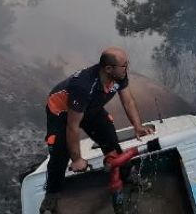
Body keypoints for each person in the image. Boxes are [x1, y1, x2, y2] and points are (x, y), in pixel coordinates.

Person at [39, 47, 154, 214]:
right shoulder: (83, 86)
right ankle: (52, 194)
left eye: (127, 64)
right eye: (124, 65)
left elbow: (128, 101)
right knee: (59, 153)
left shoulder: (119, 75)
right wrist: (77, 158)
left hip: (91, 107)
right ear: (108, 69)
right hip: (62, 113)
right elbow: (72, 126)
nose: (127, 69)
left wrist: (138, 126)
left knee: (110, 138)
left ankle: (128, 173)